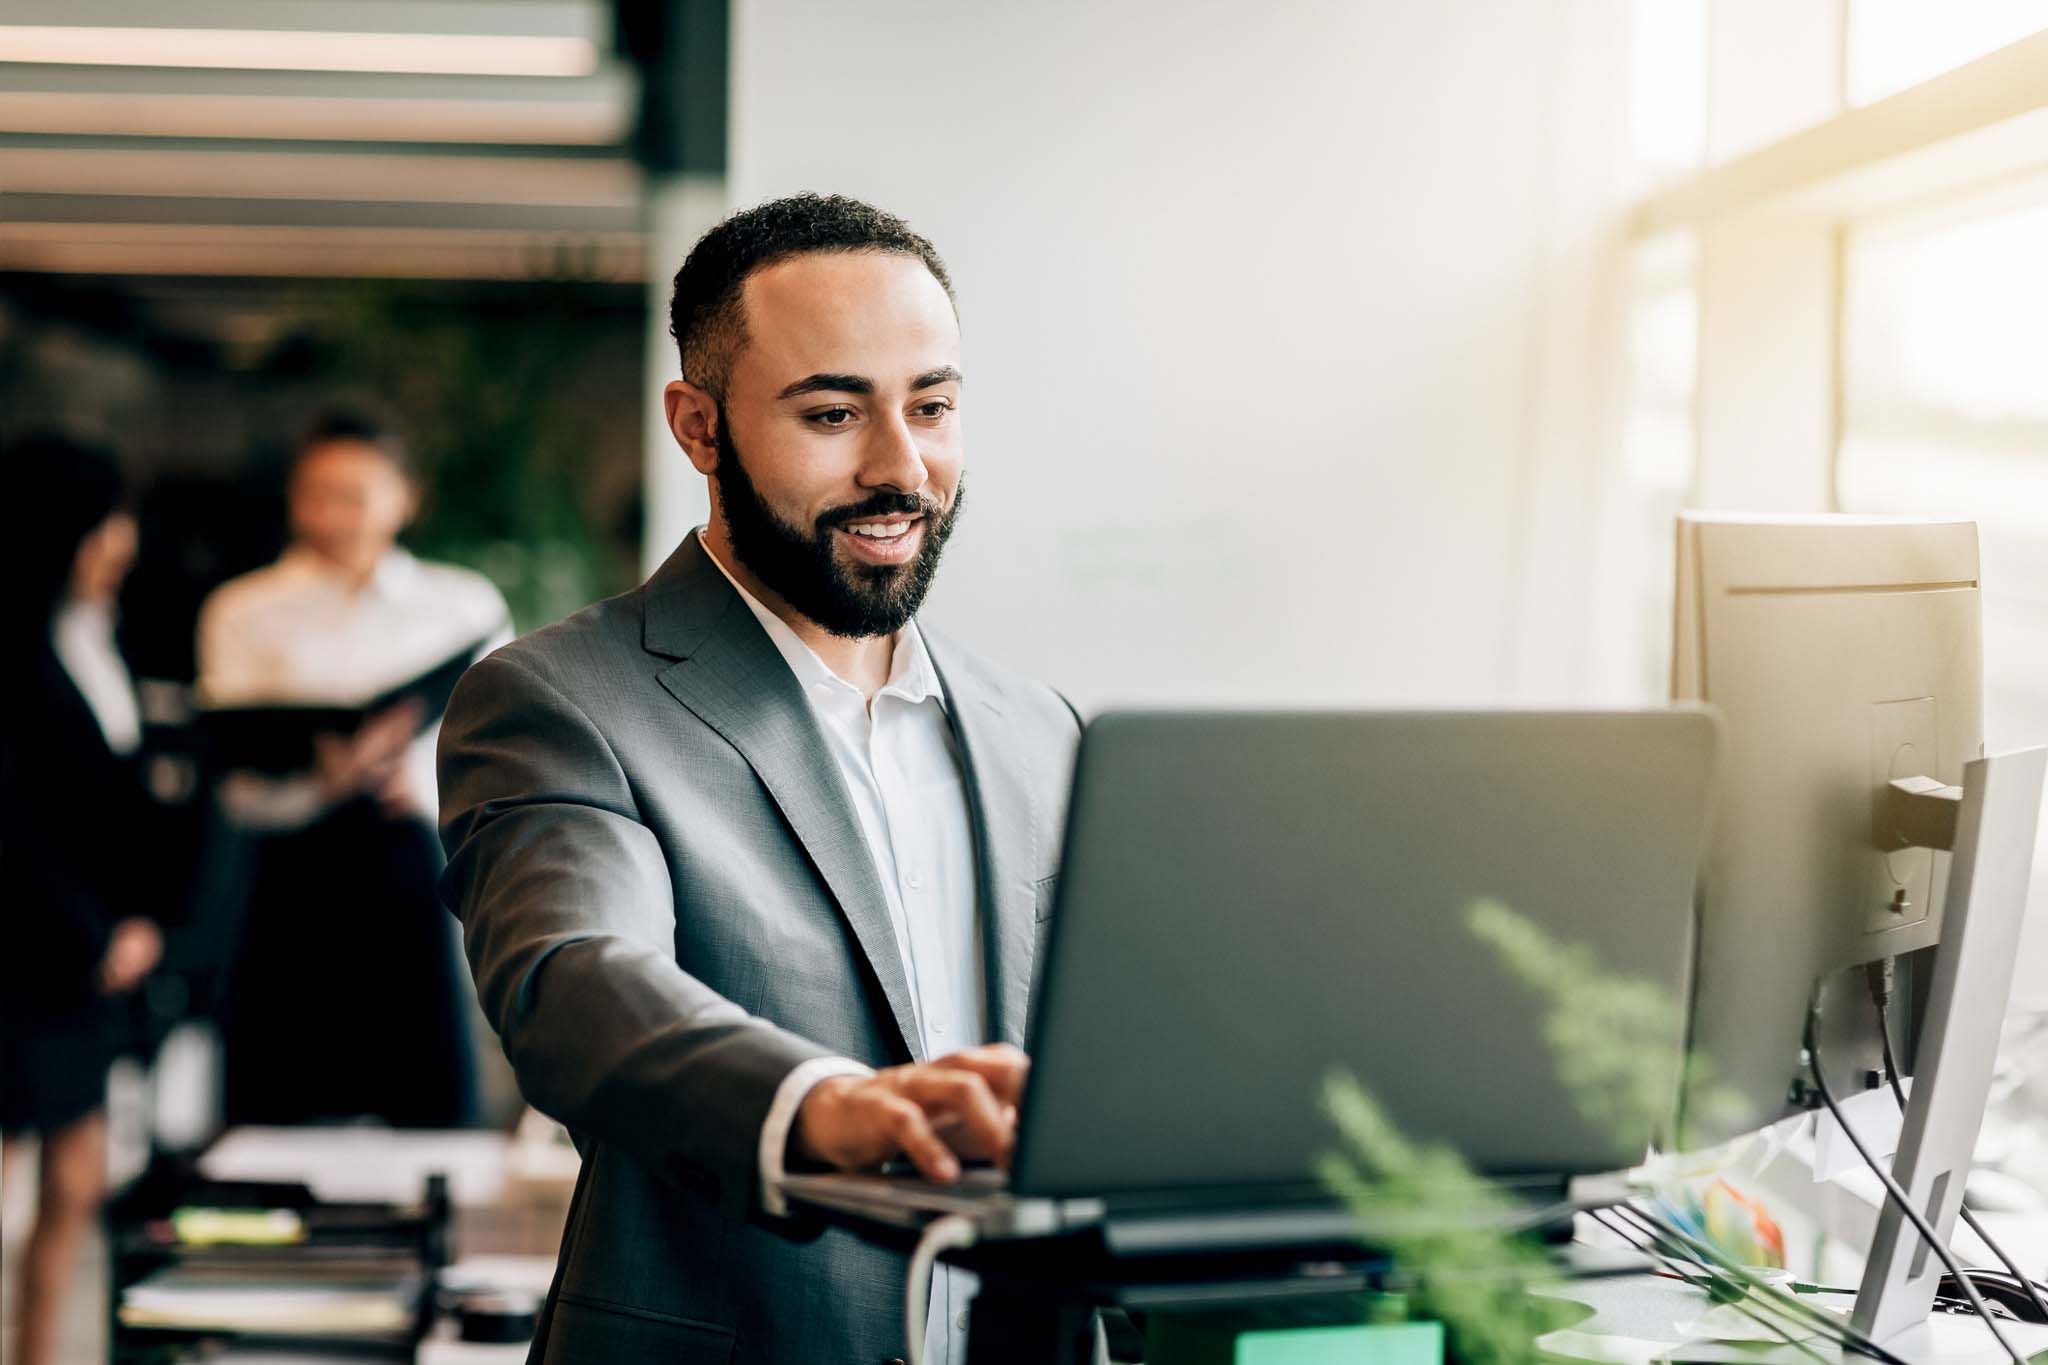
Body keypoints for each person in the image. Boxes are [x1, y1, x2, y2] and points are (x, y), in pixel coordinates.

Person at [438, 194, 1081, 1364]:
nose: (901, 467)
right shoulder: (560, 699)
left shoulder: (1040, 732)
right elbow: (573, 982)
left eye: (930, 407)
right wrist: (824, 1109)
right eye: (833, 412)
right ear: (696, 428)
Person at [197, 408, 508, 1128]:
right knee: (280, 1107)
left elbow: (502, 756)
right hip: (292, 873)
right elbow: (234, 774)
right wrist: (323, 774)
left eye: (356, 493)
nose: (333, 513)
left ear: (405, 496)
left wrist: (421, 781)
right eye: (316, 493)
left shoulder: (461, 605)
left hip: (412, 861)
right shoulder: (243, 609)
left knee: (426, 1102)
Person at [2, 434, 166, 1365]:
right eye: (110, 521)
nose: (124, 542)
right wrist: (90, 928)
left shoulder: (102, 635)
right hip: (30, 950)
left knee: (77, 1179)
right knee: (16, 1179)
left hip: (91, 960)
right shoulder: (15, 649)